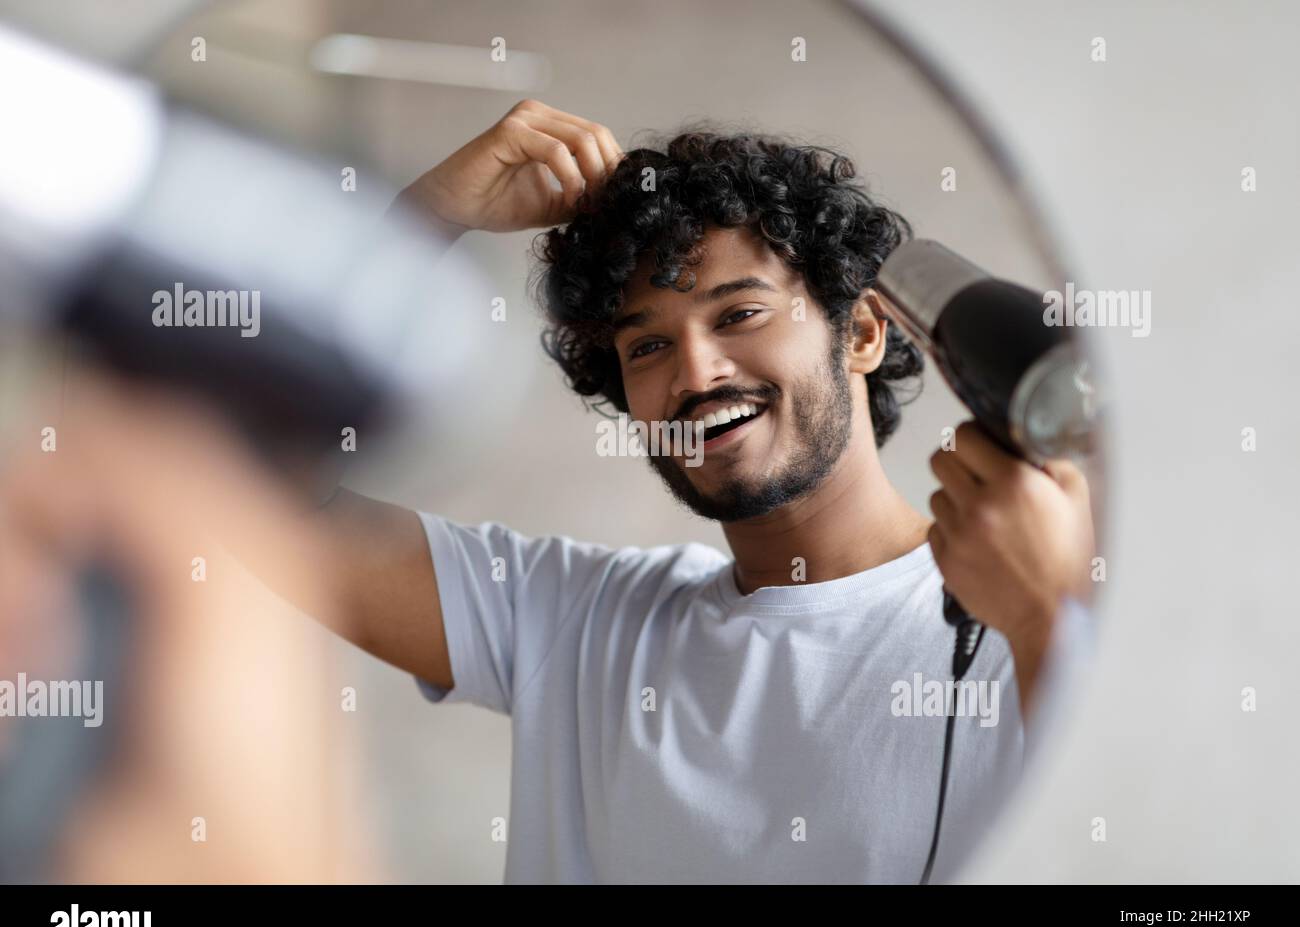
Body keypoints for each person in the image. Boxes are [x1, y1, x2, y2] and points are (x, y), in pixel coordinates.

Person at [321, 100, 1096, 882]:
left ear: (861, 332)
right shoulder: (570, 623)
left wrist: (1043, 622)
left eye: (741, 313)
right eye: (650, 344)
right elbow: (233, 484)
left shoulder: (1028, 626)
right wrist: (412, 232)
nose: (695, 375)